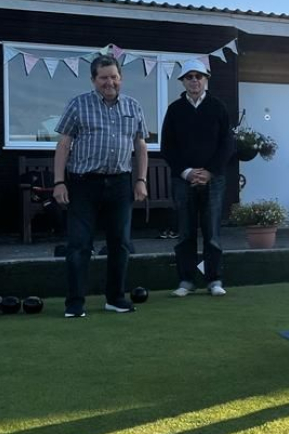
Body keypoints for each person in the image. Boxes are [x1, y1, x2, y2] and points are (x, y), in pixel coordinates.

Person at [53, 54, 148, 318]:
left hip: (120, 183)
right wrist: (59, 182)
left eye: (114, 77)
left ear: (121, 78)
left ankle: (115, 298)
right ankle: (75, 303)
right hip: (83, 184)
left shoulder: (133, 106)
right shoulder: (78, 105)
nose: (110, 82)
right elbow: (64, 144)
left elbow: (140, 145)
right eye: (104, 78)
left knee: (120, 244)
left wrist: (140, 180)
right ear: (93, 80)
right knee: (79, 245)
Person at [161, 59, 234, 297]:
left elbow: (227, 145)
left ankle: (214, 280)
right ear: (183, 81)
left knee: (212, 232)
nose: (194, 80)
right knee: (185, 232)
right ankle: (186, 281)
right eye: (189, 77)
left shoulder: (218, 107)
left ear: (206, 79)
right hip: (183, 179)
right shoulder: (174, 109)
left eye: (198, 76)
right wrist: (187, 172)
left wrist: (209, 172)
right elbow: (168, 147)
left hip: (214, 179)